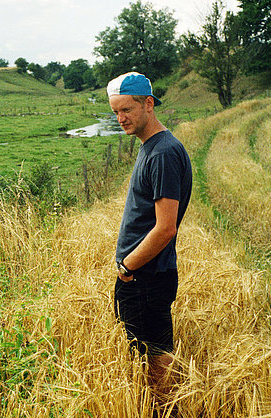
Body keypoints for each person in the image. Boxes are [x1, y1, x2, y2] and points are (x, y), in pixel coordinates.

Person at [107, 72, 193, 394]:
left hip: (146, 276)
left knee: (156, 361)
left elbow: (165, 227)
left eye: (126, 110)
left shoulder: (162, 154)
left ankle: (168, 414)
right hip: (144, 275)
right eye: (115, 112)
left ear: (148, 103)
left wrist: (128, 267)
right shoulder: (152, 147)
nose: (121, 118)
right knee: (146, 358)